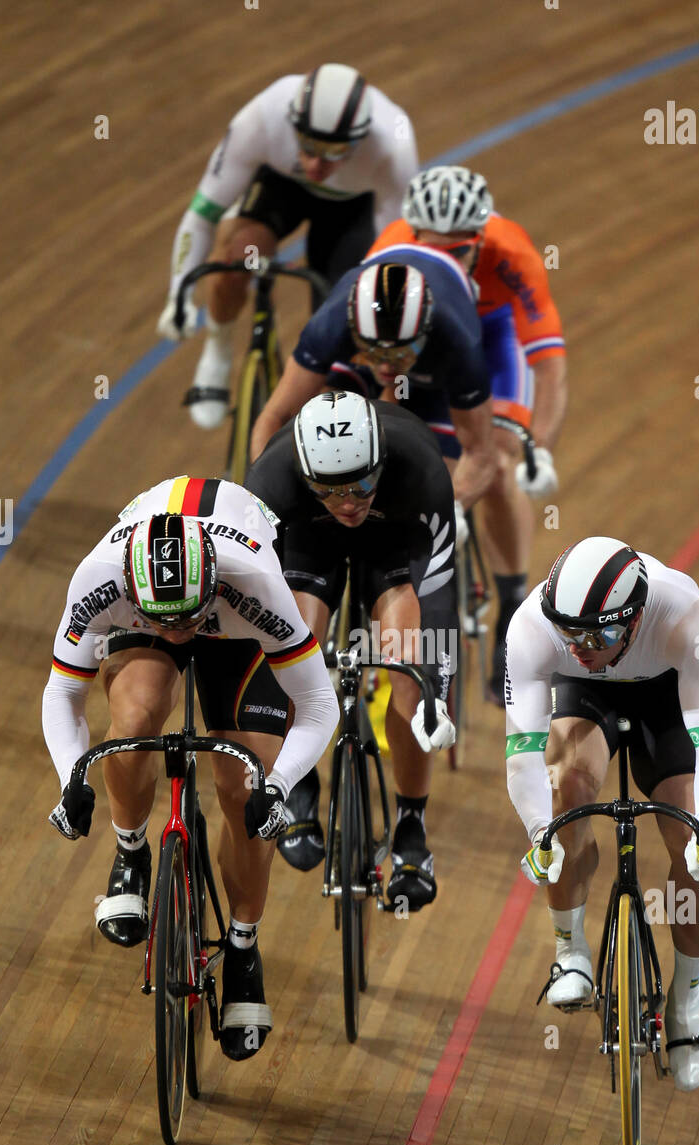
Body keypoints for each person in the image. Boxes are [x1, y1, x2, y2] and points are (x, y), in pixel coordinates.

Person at [42, 478, 338, 1062]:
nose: (179, 634)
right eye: (167, 624)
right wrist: (69, 777)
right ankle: (131, 854)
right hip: (154, 611)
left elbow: (320, 704)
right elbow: (62, 694)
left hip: (234, 624)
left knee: (245, 783)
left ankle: (244, 946)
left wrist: (277, 787)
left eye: (188, 619)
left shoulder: (254, 582)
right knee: (132, 722)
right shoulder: (100, 578)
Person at [504, 536, 699, 1091]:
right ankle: (569, 948)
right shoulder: (535, 629)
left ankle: (686, 1001)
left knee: (694, 852)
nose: (582, 645)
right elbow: (522, 753)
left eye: (600, 634)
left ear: (633, 621)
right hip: (584, 695)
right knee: (569, 788)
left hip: (664, 695)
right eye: (571, 633)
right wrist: (540, 831)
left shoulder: (684, 615)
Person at [246, 390, 458, 909]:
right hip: (306, 538)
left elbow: (436, 597)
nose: (348, 501)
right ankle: (299, 783)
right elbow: (256, 598)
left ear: (381, 461)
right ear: (304, 474)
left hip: (395, 540)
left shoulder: (420, 470)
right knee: (295, 646)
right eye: (331, 489)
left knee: (408, 679)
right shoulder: (270, 482)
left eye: (362, 483)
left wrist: (433, 686)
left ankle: (411, 826)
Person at [369, 165, 568, 703]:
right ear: (412, 237)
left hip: (491, 340)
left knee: (501, 464)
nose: (445, 263)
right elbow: (372, 357)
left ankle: (511, 604)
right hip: (424, 343)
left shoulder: (513, 252)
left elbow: (548, 365)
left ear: (481, 240)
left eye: (459, 252)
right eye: (433, 249)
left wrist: (539, 448)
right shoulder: (388, 253)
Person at [156, 64, 418, 428]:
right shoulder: (263, 116)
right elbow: (201, 216)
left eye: (333, 152)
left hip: (350, 208)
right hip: (280, 187)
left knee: (341, 321)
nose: (315, 164)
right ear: (293, 124)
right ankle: (217, 351)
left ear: (360, 140)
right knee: (237, 258)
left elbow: (395, 251)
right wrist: (179, 295)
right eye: (308, 146)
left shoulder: (393, 144)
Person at [248, 252, 501, 514]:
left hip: (430, 372)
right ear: (354, 331)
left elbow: (481, 454)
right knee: (323, 418)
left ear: (424, 333)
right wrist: (268, 503)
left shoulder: (457, 344)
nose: (385, 367)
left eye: (397, 354)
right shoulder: (330, 326)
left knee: (434, 481)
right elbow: (276, 416)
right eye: (376, 353)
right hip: (365, 360)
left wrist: (452, 511)